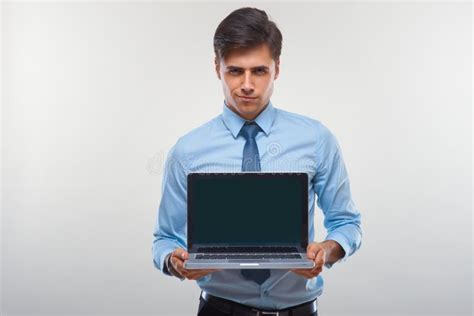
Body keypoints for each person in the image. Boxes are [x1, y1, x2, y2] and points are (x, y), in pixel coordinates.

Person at [152, 7, 362, 316]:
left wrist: (325, 252)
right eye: (235, 70)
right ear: (217, 68)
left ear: (276, 68)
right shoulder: (188, 151)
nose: (247, 84)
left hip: (299, 309)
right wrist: (175, 261)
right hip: (220, 310)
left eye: (259, 71)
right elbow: (164, 239)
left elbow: (347, 223)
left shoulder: (316, 139)